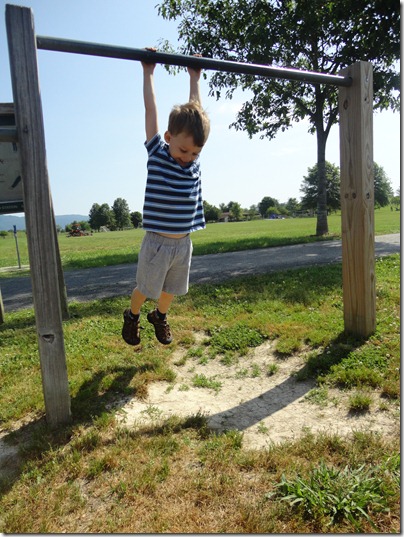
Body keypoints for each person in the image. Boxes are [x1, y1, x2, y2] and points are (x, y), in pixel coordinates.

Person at [122, 51, 210, 346]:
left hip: (183, 244)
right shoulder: (158, 153)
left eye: (195, 152)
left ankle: (159, 316)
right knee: (146, 289)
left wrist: (194, 76)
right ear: (169, 137)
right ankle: (133, 315)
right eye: (184, 150)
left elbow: (196, 112)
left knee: (171, 289)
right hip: (157, 244)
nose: (189, 157)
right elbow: (151, 111)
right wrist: (148, 72)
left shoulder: (194, 161)